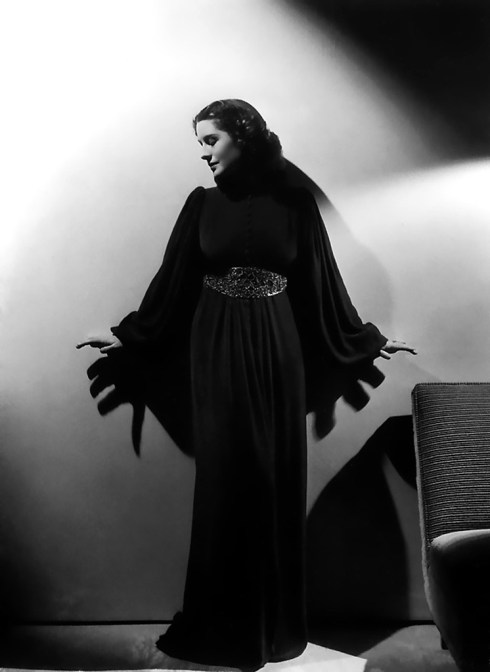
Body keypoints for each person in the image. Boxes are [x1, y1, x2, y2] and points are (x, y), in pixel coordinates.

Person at [77, 99, 416, 670]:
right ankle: (223, 626)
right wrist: (127, 336)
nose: (204, 154)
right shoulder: (201, 204)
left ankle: (275, 628)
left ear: (243, 136)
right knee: (225, 481)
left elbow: (323, 288)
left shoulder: (297, 207)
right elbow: (172, 284)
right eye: (200, 144)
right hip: (215, 348)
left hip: (279, 351)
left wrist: (366, 341)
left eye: (210, 141)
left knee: (273, 479)